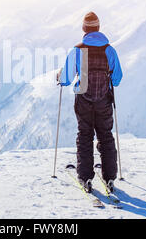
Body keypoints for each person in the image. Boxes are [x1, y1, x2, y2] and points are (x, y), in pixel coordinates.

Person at [57, 11, 123, 193]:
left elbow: (66, 78)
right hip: (104, 99)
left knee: (85, 135)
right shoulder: (109, 50)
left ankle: (85, 177)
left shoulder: (77, 50)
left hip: (83, 100)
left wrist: (59, 78)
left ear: (84, 29)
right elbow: (117, 78)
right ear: (98, 27)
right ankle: (110, 177)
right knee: (106, 136)